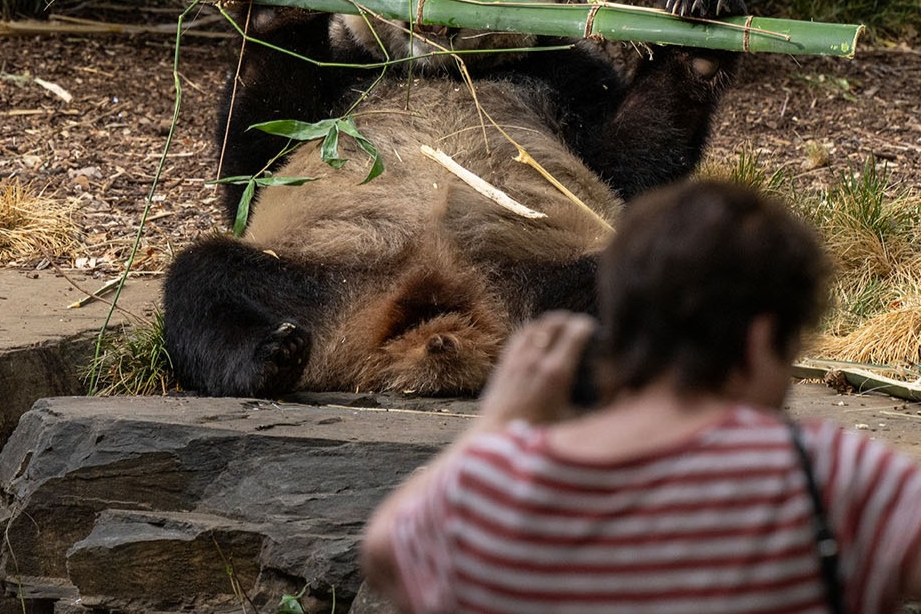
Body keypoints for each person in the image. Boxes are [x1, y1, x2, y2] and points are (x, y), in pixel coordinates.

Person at [361, 179, 921, 614]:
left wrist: (496, 425)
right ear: (760, 339)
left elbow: (385, 549)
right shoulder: (828, 476)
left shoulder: (493, 489)